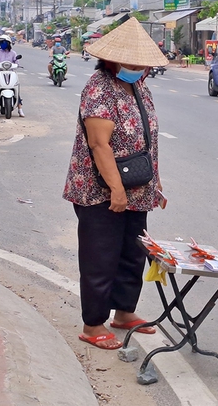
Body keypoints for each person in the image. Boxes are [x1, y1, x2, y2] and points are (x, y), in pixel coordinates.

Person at [62, 18, 169, 350]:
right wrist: (117, 190)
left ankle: (124, 313)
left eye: (143, 64)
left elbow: (147, 139)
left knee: (131, 254)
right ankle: (93, 325)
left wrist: (156, 183)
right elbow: (99, 144)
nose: (139, 69)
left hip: (138, 188)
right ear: (111, 60)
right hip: (100, 190)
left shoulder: (138, 87)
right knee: (100, 256)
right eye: (132, 63)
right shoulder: (99, 87)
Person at [0, 35, 24, 117]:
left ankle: (20, 109)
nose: (2, 44)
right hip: (0, 74)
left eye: (3, 42)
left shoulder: (13, 53)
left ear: (8, 43)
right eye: (0, 42)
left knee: (16, 89)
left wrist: (16, 65)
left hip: (11, 74)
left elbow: (16, 62)